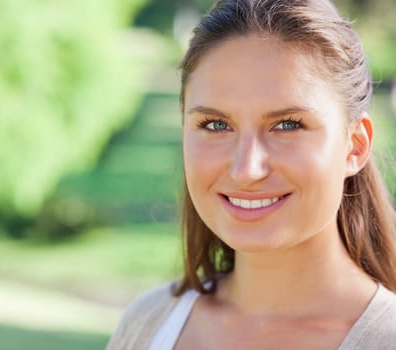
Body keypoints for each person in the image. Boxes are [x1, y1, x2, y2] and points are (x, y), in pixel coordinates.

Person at [107, 0, 396, 348]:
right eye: (215, 124)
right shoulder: (148, 324)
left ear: (354, 146)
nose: (246, 169)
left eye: (287, 125)